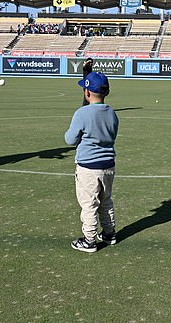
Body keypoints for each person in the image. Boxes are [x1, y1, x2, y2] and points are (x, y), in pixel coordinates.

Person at [65, 72, 119, 253]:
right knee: (106, 201)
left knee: (89, 204)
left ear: (87, 93)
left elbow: (70, 139)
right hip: (108, 165)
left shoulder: (81, 113)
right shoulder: (112, 113)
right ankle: (109, 233)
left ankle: (89, 239)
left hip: (88, 167)